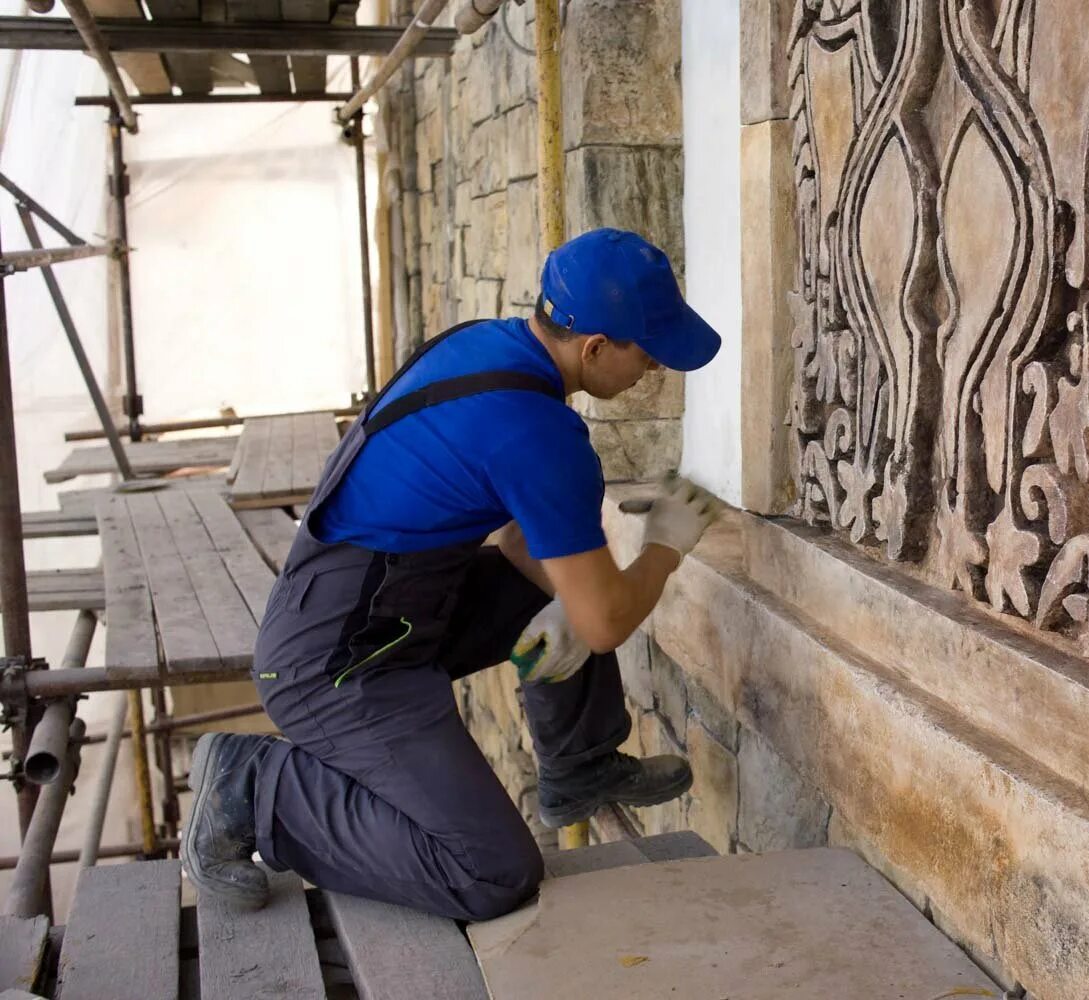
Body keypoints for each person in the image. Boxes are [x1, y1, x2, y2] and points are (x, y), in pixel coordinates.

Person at [180, 228, 721, 920]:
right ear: (593, 349)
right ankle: (257, 789)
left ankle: (578, 764)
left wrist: (568, 597)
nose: (653, 371)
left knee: (558, 589)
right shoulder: (537, 434)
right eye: (647, 355)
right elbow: (607, 621)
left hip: (379, 604)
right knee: (491, 871)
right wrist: (666, 544)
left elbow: (529, 542)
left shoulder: (487, 348)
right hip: (337, 665)